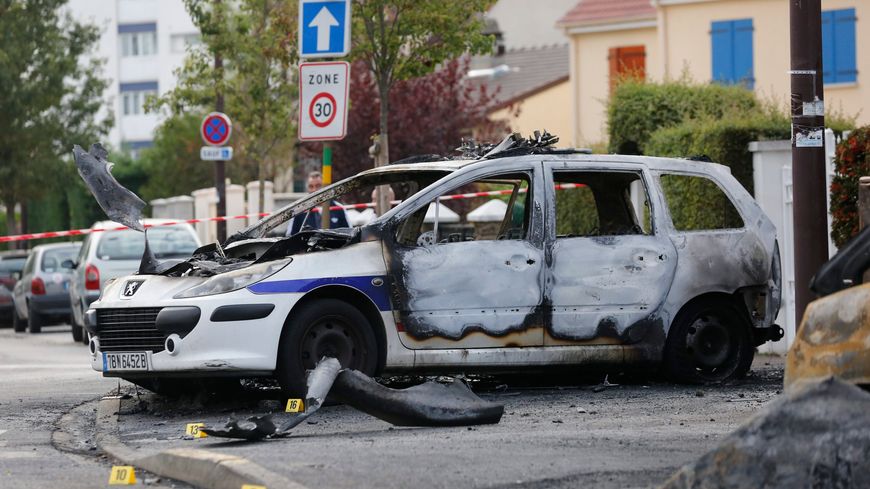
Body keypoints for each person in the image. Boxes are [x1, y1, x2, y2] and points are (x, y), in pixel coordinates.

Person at [285, 171, 349, 236]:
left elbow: (350, 235)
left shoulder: (338, 209)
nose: (314, 190)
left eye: (318, 186)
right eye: (311, 186)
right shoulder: (299, 211)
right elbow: (289, 237)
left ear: (325, 186)